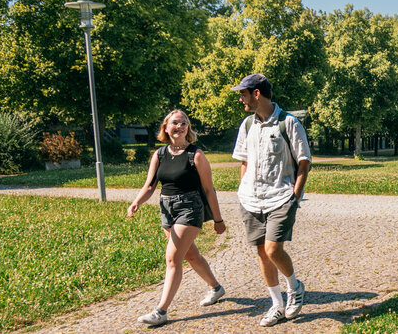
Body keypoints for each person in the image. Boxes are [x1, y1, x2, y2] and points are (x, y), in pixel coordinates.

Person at [127, 109, 227, 325]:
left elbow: (209, 190)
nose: (180, 126)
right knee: (190, 256)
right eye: (175, 123)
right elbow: (150, 185)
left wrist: (218, 220)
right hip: (166, 209)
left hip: (190, 208)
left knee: (172, 258)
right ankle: (216, 288)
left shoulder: (196, 155)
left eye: (184, 123)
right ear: (166, 127)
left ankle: (160, 312)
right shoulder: (160, 154)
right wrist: (136, 202)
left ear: (187, 128)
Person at [230, 73, 311, 327]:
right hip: (251, 200)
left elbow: (304, 162)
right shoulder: (247, 125)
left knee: (273, 249)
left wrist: (295, 198)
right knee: (262, 254)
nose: (241, 99)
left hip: (280, 198)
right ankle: (276, 304)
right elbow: (244, 160)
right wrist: (243, 191)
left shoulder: (289, 123)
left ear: (256, 94)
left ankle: (295, 286)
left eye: (243, 93)